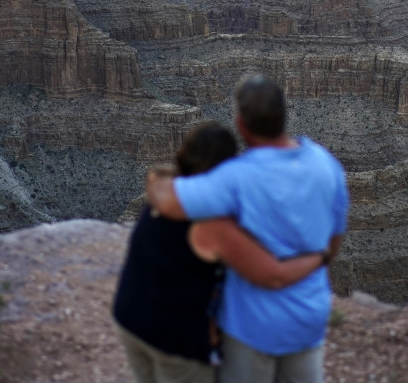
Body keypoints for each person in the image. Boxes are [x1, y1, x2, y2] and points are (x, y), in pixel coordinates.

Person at [147, 75, 349, 383]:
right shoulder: (327, 165)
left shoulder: (234, 179)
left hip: (252, 326)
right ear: (285, 114)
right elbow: (333, 245)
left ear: (241, 125)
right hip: (308, 318)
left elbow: (166, 201)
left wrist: (165, 173)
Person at [113, 121, 327, 383]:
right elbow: (274, 275)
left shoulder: (166, 190)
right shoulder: (212, 222)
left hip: (130, 319)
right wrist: (320, 257)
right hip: (173, 339)